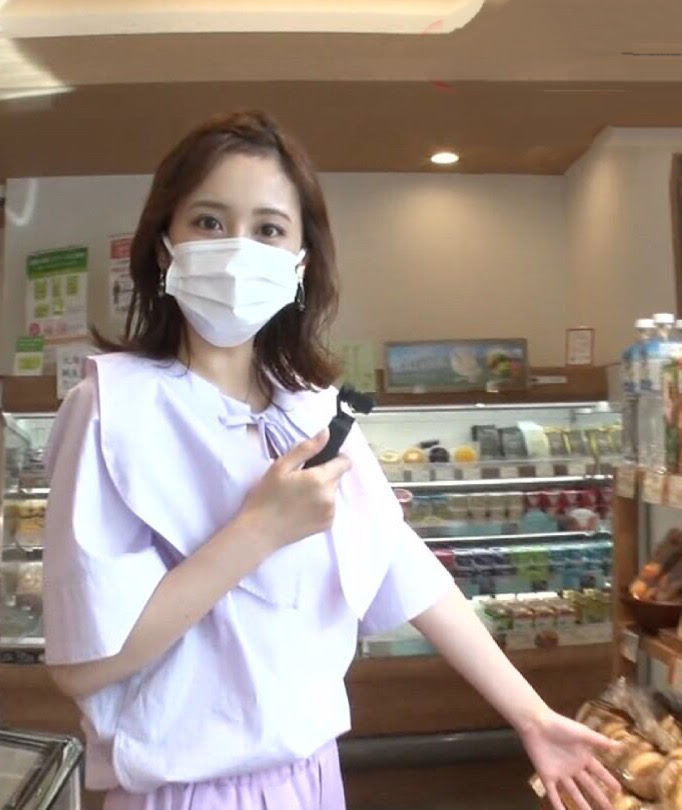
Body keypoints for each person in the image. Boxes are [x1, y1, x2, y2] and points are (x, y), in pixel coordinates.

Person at [44, 110, 620, 810]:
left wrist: (530, 715)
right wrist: (258, 531)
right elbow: (86, 665)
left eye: (268, 229)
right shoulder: (111, 408)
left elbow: (400, 564)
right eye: (209, 221)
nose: (237, 249)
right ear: (164, 246)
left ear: (300, 262)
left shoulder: (313, 409)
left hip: (315, 778)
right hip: (187, 794)